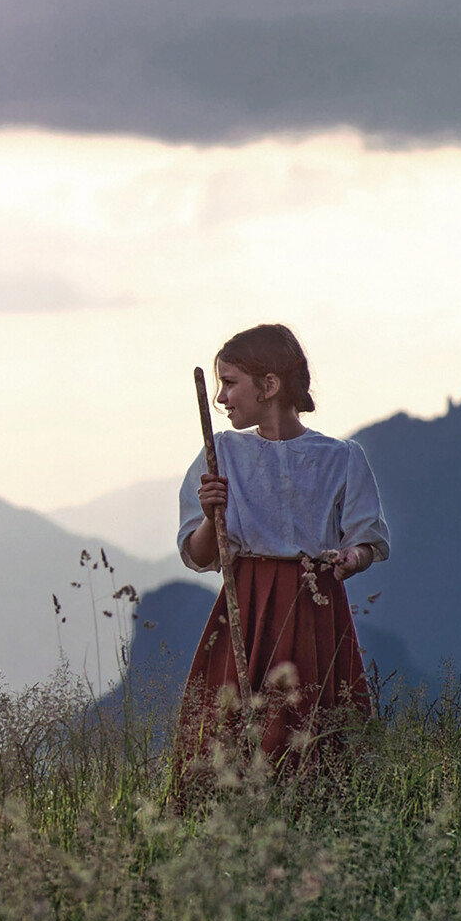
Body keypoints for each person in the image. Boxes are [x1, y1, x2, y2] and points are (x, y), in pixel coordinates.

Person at [176, 324, 390, 778]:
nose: (221, 398)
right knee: (229, 726)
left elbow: (366, 541)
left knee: (311, 722)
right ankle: (231, 823)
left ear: (269, 385)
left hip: (314, 606)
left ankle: (312, 817)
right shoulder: (223, 453)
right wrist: (211, 511)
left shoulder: (340, 457)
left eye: (230, 383)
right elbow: (199, 554)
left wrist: (351, 559)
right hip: (248, 606)